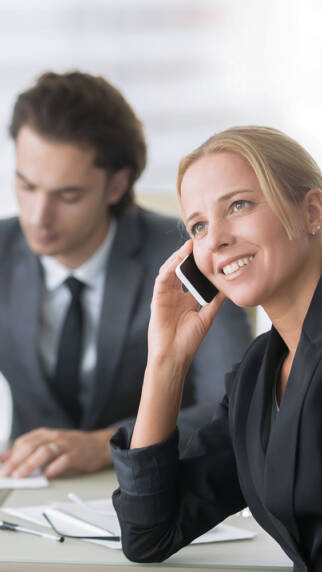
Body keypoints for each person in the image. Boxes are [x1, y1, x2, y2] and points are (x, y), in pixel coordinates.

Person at [0, 71, 252, 478]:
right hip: (22, 499)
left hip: (158, 495)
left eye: (68, 196)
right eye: (26, 186)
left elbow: (234, 406)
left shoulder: (183, 258)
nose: (38, 216)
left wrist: (104, 445)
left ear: (116, 186)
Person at [110, 126, 322, 570]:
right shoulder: (259, 374)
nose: (217, 239)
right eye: (199, 226)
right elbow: (150, 534)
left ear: (313, 212)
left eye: (239, 205)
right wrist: (166, 362)